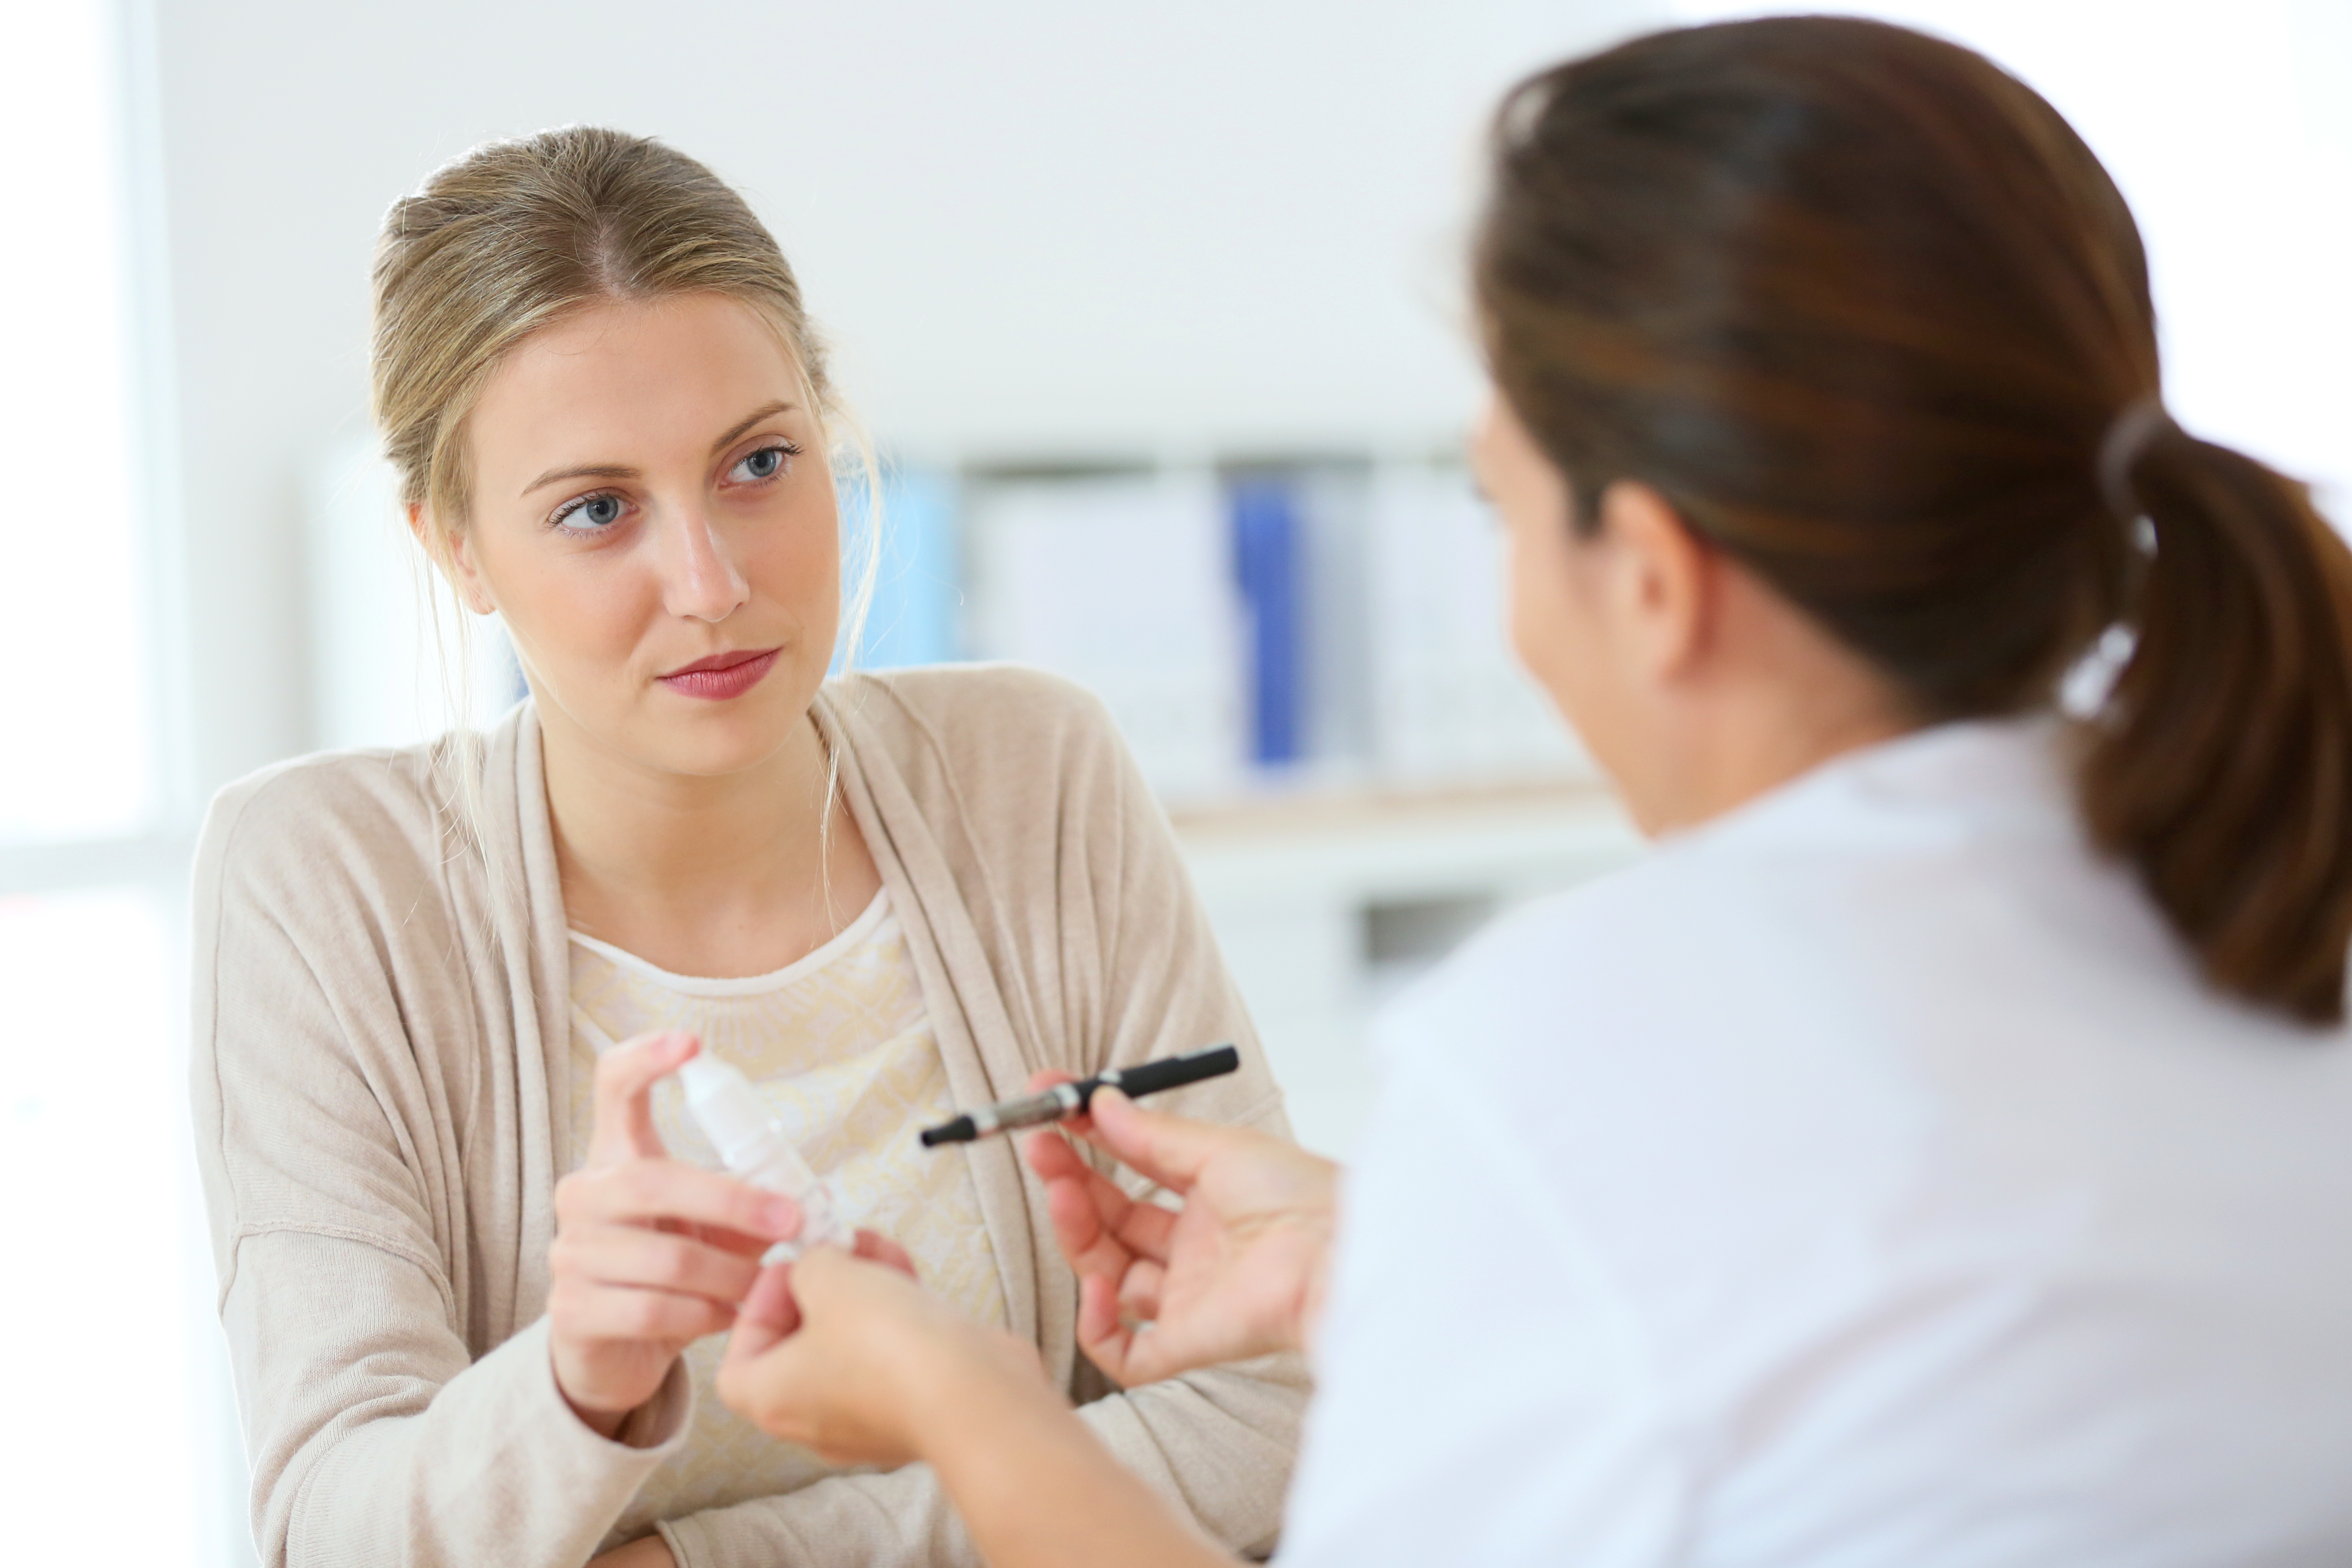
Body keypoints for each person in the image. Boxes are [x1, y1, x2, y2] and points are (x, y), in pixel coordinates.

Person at [710, 17, 2352, 1566]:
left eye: (1501, 509)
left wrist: (968, 1413)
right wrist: (1416, 1266)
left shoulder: (1584, 1053)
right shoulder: (2272, 890)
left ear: (1651, 578)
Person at [187, 128, 1306, 1568]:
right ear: (455, 546)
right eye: (597, 511)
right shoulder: (323, 883)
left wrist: (698, 1562)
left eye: (760, 463)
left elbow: (1272, 1411)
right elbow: (330, 1532)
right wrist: (570, 1387)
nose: (711, 583)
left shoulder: (1032, 770)